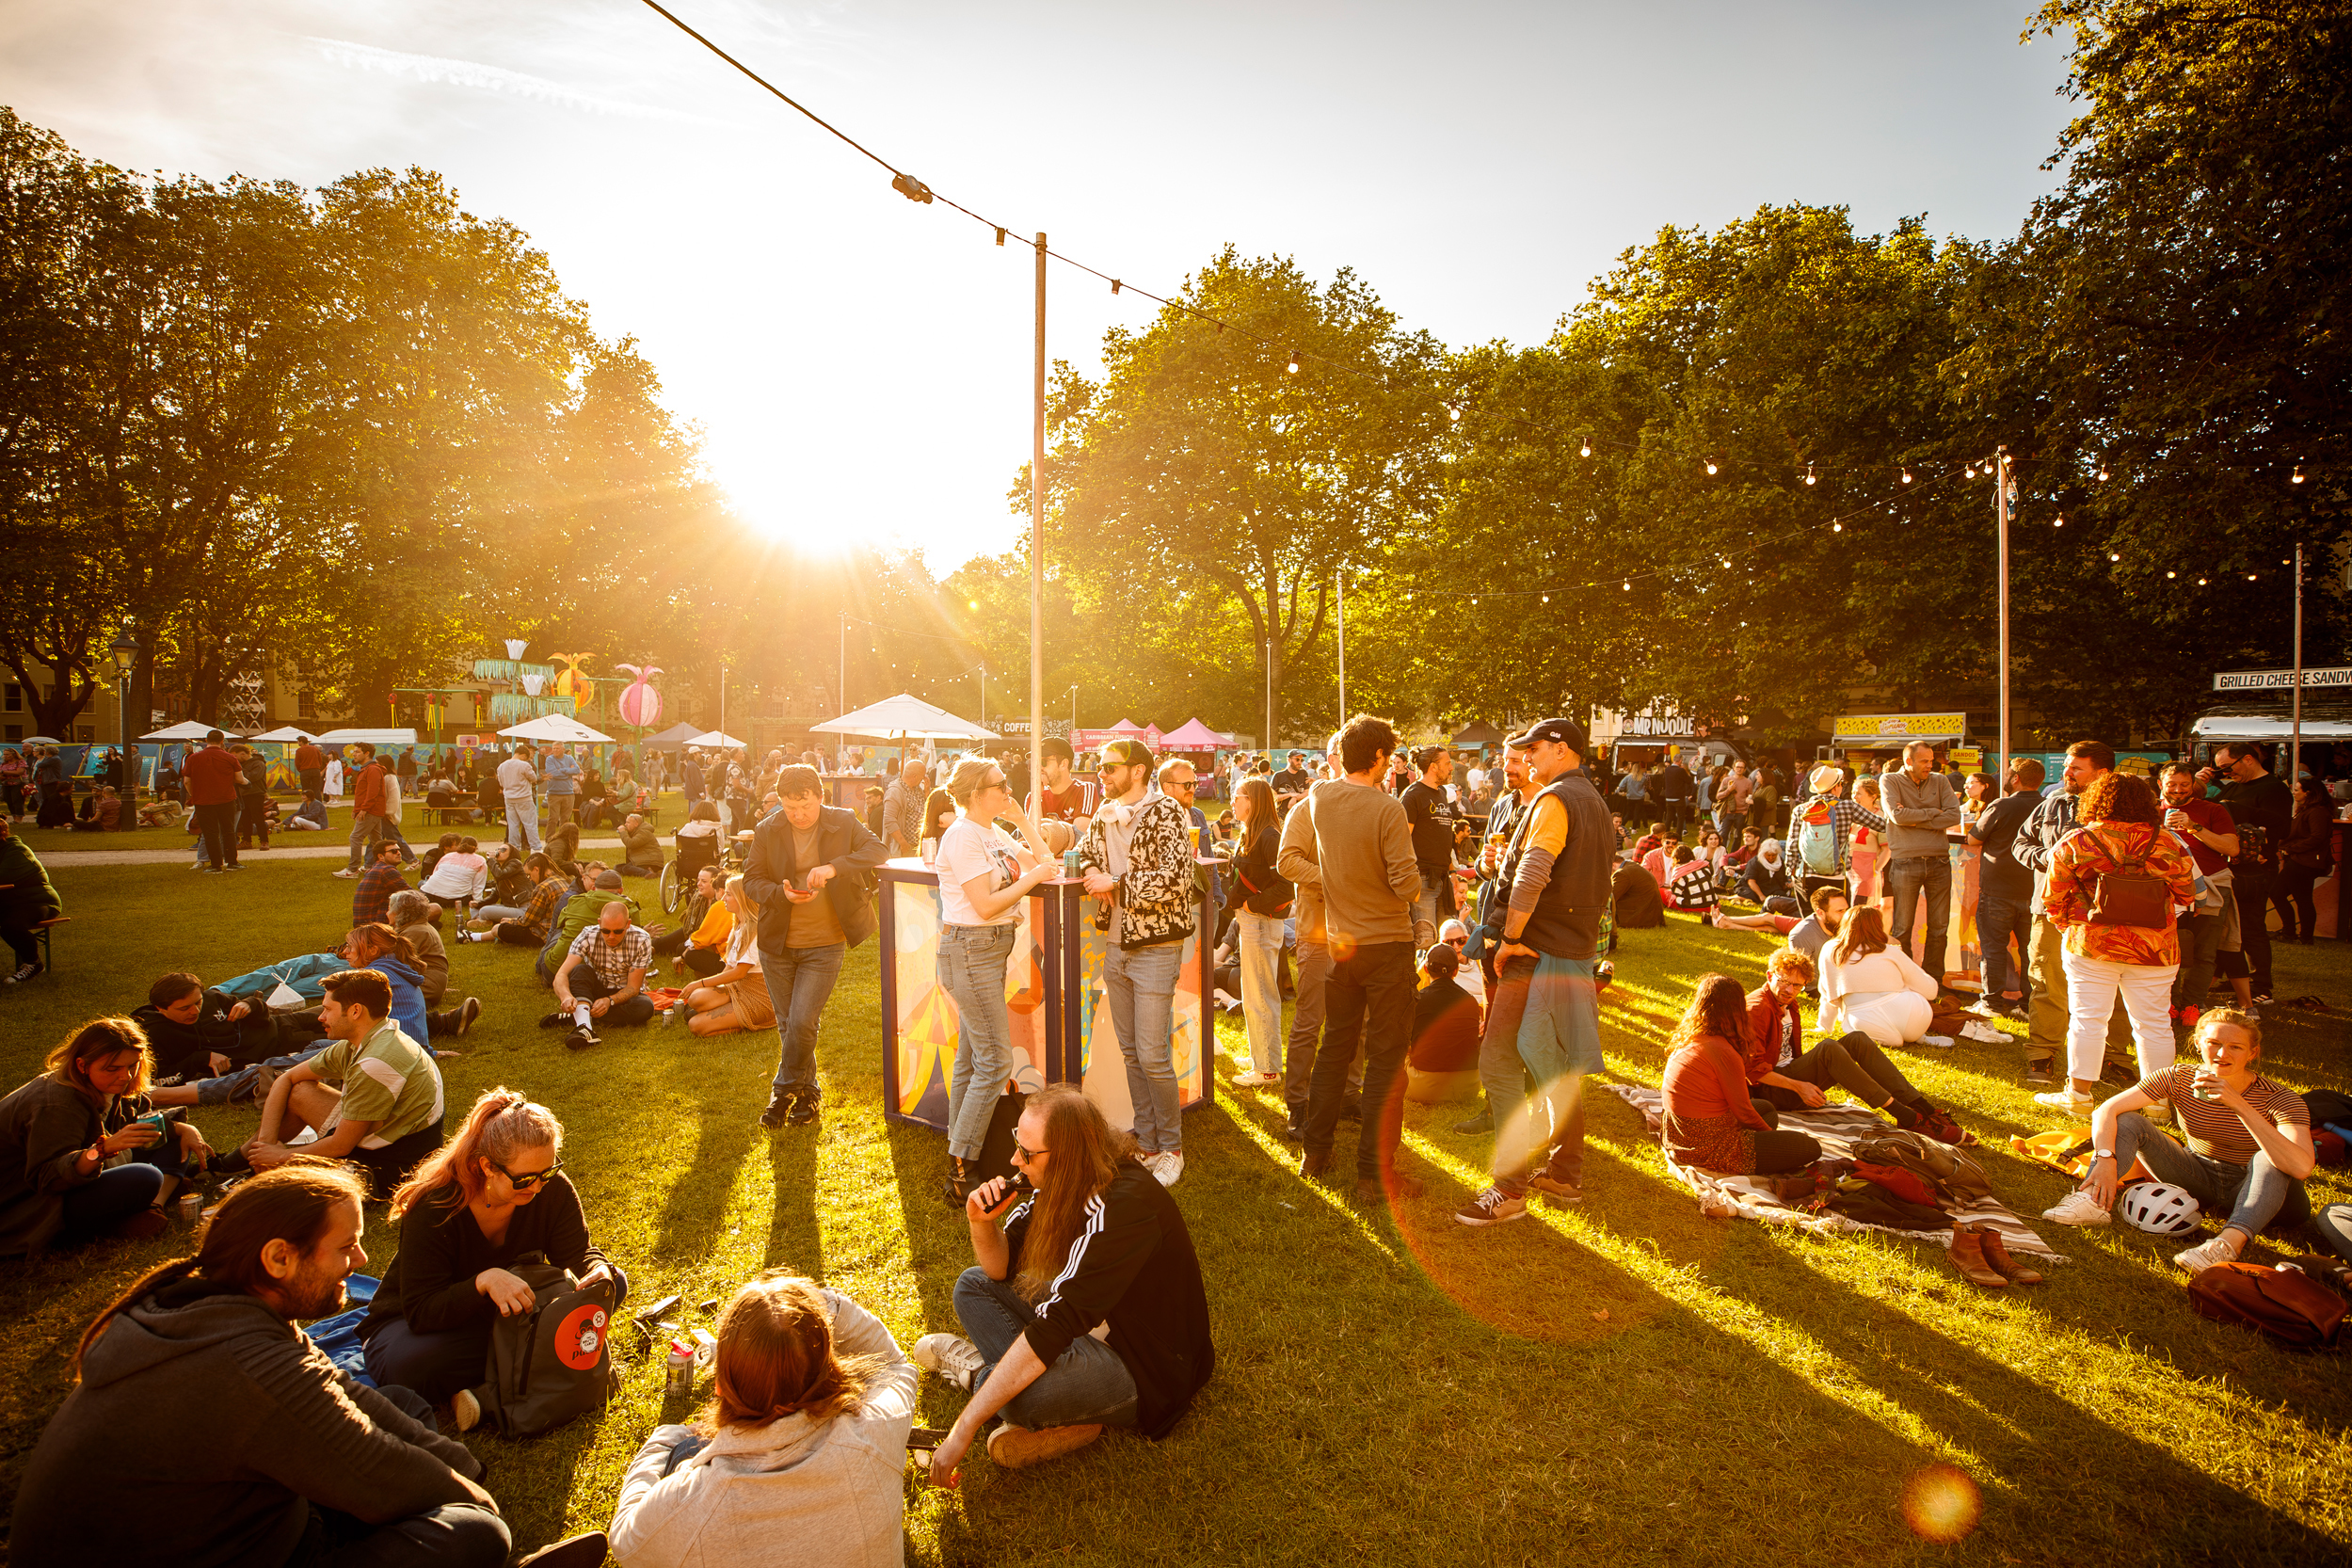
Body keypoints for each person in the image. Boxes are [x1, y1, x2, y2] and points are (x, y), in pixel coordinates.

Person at [7, 1164, 613, 1568]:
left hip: (229, 1514)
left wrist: (459, 1458)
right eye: (346, 1245)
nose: (361, 1257)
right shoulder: (244, 1365)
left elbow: (344, 1389)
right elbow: (378, 1471)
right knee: (478, 1536)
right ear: (278, 1259)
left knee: (398, 1404)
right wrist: (474, 1495)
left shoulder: (203, 1307)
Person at [913, 1085, 1214, 1476]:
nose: (1014, 1160)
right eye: (1016, 1144)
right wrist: (981, 1223)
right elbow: (1000, 1270)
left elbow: (1055, 1325)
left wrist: (963, 1427)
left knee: (1021, 1400)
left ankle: (980, 1375)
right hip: (1091, 1332)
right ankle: (1058, 1406)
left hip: (1146, 1369)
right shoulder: (1063, 1184)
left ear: (1068, 1156)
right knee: (973, 1286)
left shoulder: (1125, 1209)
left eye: (1026, 1152)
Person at [608, 1273, 913, 1568]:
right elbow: (898, 1368)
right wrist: (825, 1303)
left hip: (691, 1496)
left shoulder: (691, 1501)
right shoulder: (878, 1428)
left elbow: (625, 1542)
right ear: (829, 1369)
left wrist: (665, 1437)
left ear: (719, 1384)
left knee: (686, 1449)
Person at [361, 1089, 620, 1419]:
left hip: (508, 1317)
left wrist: (596, 1269)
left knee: (614, 1283)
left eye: (548, 1171)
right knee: (411, 1364)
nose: (538, 1187)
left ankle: (488, 1391)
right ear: (487, 1167)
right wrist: (482, 1282)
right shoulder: (436, 1207)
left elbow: (578, 1254)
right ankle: (528, 1366)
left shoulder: (551, 1189)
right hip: (424, 1326)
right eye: (524, 1178)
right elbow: (422, 1310)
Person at [1454, 717, 1614, 1226]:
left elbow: (1532, 874)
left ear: (1561, 750)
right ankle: (1565, 1173)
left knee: (1499, 1062)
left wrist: (1513, 938)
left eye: (1534, 749)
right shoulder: (1593, 800)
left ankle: (1510, 1188)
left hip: (1536, 952)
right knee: (1556, 1067)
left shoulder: (1556, 799)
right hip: (1571, 953)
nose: (1528, 757)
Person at [2041, 1009, 2314, 1273]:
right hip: (2199, 1178)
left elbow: (2301, 1167)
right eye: (2214, 1043)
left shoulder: (2280, 1098)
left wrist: (2239, 1104)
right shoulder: (2179, 1077)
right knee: (2130, 1120)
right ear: (2198, 1043)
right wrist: (2104, 1158)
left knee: (2269, 1157)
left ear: (2252, 1053)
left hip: (2269, 1195)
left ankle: (2226, 1245)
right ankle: (2093, 1201)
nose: (2222, 1054)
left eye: (2236, 1047)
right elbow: (2106, 1110)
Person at [1072, 740, 1199, 1184]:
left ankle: (1172, 1147)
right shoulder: (1107, 811)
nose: (1102, 774)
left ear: (1139, 770)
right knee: (1131, 1053)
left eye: (1110, 767)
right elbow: (1086, 850)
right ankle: (1147, 1141)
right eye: (1099, 767)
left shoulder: (1166, 812)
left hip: (1157, 946)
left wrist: (1117, 882)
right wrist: (1092, 872)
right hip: (1117, 944)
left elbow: (1176, 879)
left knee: (1152, 1054)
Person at [2035, 770, 2197, 1113]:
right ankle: (2158, 1101)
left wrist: (2071, 928)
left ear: (2096, 799)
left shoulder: (2077, 841)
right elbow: (2187, 894)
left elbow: (2052, 899)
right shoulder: (2168, 842)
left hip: (2092, 945)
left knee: (2087, 1019)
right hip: (2156, 947)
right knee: (2154, 1023)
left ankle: (2078, 1096)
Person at [740, 765, 889, 1129]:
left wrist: (834, 868)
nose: (798, 815)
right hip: (777, 944)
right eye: (790, 808)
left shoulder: (844, 820)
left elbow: (879, 851)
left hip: (825, 944)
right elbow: (751, 880)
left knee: (804, 1019)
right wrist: (781, 894)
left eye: (805, 806)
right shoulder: (767, 828)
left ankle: (782, 1092)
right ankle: (808, 1094)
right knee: (789, 1023)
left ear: (820, 797)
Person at [934, 759, 1055, 1202]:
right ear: (973, 794)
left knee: (972, 1059)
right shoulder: (963, 835)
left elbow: (1046, 862)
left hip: (986, 952)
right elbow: (984, 905)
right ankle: (959, 1169)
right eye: (999, 785)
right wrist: (1032, 879)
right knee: (994, 1063)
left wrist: (1022, 818)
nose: (1006, 789)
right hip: (970, 950)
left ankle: (965, 1153)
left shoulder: (991, 831)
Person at [223, 968, 445, 1197]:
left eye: (327, 1009)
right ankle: (238, 1161)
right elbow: (287, 1079)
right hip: (378, 1134)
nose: (321, 1017)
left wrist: (280, 1156)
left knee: (286, 1193)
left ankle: (251, 1169)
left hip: (394, 1163)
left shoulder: (376, 1063)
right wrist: (266, 1146)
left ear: (355, 1011)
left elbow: (341, 1146)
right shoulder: (368, 1038)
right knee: (300, 1090)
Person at [0, 1016, 208, 1255]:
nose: (126, 1076)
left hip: (84, 1173)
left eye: (133, 1066)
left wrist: (184, 1129)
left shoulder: (111, 1084)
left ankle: (152, 1206)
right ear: (82, 1065)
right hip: (29, 1202)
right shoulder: (56, 1104)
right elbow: (48, 1178)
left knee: (169, 1138)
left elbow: (137, 1120)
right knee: (144, 1176)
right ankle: (128, 1211)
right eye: (113, 1069)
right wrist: (104, 1148)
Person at [1745, 951, 1967, 1142]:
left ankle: (1924, 1110)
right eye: (1784, 981)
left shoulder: (1788, 1004)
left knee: (1857, 1039)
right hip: (1770, 1091)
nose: (1790, 990)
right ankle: (1907, 1117)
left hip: (1789, 1077)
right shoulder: (1757, 1009)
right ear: (1769, 975)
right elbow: (1753, 1070)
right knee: (1829, 1049)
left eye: (1797, 985)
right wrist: (1799, 1087)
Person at [1275, 728, 1366, 1144]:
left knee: (1356, 1022)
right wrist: (1334, 882)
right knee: (1311, 1021)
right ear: (1332, 759)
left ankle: (1349, 1093)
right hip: (1316, 932)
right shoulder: (1307, 808)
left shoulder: (1372, 804)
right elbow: (1287, 862)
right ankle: (1298, 1102)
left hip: (1362, 931)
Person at [1657, 973, 1822, 1176]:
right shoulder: (1722, 1051)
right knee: (1810, 1147)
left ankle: (1761, 1148)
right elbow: (1743, 1110)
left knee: (1767, 1108)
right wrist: (1770, 1137)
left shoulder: (1693, 1036)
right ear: (1737, 1009)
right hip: (1704, 1145)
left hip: (1682, 1132)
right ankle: (1750, 1157)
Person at [2202, 740, 2292, 1005]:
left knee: (2251, 928)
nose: (2227, 773)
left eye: (2227, 767)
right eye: (2221, 770)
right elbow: (2209, 810)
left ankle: (2262, 986)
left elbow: (2282, 827)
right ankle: (2235, 977)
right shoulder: (2233, 785)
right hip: (2232, 866)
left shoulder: (2274, 788)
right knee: (2229, 929)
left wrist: (2237, 809)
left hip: (2256, 870)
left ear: (2248, 759)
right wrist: (2200, 782)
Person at [1224, 776, 1292, 1090]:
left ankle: (1266, 1069)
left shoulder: (1269, 836)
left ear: (1253, 800)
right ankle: (1262, 1060)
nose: (1233, 801)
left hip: (1262, 923)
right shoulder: (1252, 832)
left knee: (1261, 995)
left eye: (1238, 796)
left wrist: (1252, 905)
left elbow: (1286, 887)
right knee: (1254, 994)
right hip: (1253, 922)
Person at [2158, 761, 2240, 1028]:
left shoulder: (2213, 810)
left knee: (2205, 950)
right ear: (2161, 785)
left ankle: (2192, 1006)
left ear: (2193, 784)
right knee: (2166, 949)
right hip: (2167, 888)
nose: (2179, 790)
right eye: (2172, 785)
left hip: (2213, 883)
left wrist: (2194, 827)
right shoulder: (2150, 811)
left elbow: (2232, 848)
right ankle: (2169, 1005)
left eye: (2185, 784)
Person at [1967, 758, 2045, 1021]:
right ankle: (2027, 1004)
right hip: (2034, 890)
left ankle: (1992, 1004)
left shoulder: (2001, 805)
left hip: (1998, 890)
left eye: (2008, 773)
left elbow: (1973, 838)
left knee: (1993, 949)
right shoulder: (2047, 806)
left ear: (2016, 779)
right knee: (2031, 952)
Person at [1817, 904, 1940, 1048]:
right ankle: (1915, 1036)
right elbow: (1930, 991)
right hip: (1912, 1017)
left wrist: (1824, 1027)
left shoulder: (1830, 949)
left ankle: (1893, 1037)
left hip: (1861, 1018)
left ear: (1845, 923)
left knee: (1891, 1038)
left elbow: (1827, 995)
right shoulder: (1890, 951)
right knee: (1908, 991)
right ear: (1878, 926)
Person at [549, 902, 657, 1050]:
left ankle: (581, 1014)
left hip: (625, 994)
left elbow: (633, 988)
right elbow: (561, 974)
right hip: (596, 989)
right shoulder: (588, 934)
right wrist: (566, 997)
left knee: (645, 1008)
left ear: (628, 924)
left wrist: (609, 1001)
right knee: (580, 970)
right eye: (605, 931)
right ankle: (585, 1026)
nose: (611, 936)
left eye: (618, 931)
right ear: (599, 923)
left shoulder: (641, 938)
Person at [677, 876, 774, 1038]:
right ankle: (727, 1013)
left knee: (695, 1025)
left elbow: (739, 973)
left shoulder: (755, 930)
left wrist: (699, 983)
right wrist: (703, 989)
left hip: (757, 995)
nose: (722, 899)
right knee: (695, 999)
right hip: (737, 987)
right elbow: (729, 968)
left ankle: (746, 1022)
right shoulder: (738, 926)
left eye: (728, 894)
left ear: (742, 898)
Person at [389, 891, 483, 1041]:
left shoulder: (413, 933)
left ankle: (447, 1021)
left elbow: (394, 965)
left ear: (400, 912)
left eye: (389, 909)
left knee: (392, 1006)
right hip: (429, 983)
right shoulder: (415, 928)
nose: (387, 913)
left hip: (427, 985)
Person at [1403, 942, 1483, 1100]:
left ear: (1425, 970)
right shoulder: (1471, 1001)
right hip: (1469, 1086)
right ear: (1456, 970)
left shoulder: (1416, 1000)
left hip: (1424, 1088)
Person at [1400, 746, 1457, 948]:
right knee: (1426, 942)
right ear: (1434, 767)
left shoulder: (1441, 792)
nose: (1452, 767)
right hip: (1422, 879)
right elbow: (1402, 840)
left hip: (1442, 878)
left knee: (1446, 941)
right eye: (1448, 763)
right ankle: (1423, 979)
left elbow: (1444, 837)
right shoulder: (1412, 795)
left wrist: (1453, 874)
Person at [464, 851, 568, 950]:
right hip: (561, 931)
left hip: (544, 935)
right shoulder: (563, 880)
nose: (530, 879)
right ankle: (472, 935)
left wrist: (511, 921)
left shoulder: (543, 887)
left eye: (529, 875)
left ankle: (473, 936)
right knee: (501, 925)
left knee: (498, 929)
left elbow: (527, 921)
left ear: (536, 869)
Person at [0, 816, 60, 984]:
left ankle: (33, 963)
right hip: (8, 901)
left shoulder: (16, 850)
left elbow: (3, 878)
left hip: (37, 901)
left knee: (11, 926)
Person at [2279, 774, 2334, 943]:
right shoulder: (2310, 810)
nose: (2293, 793)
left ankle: (2298, 934)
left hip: (2304, 861)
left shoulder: (2316, 812)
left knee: (2289, 896)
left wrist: (2291, 849)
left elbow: (2317, 837)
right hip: (2302, 860)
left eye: (2296, 790)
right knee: (2288, 895)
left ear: (2308, 793)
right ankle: (2298, 934)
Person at [184, 728, 245, 873]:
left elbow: (187, 781)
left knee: (210, 833)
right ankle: (232, 862)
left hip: (203, 800)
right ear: (222, 741)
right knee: (228, 831)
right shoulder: (230, 757)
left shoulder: (193, 758)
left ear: (206, 740)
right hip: (226, 799)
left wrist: (194, 794)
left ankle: (216, 865)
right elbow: (239, 779)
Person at [656, 866, 731, 975]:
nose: (698, 884)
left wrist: (684, 954)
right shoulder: (698, 898)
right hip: (706, 939)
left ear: (719, 889)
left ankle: (711, 972)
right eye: (698, 880)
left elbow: (705, 936)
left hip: (721, 953)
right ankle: (651, 946)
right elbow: (690, 929)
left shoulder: (720, 905)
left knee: (686, 951)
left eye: (703, 881)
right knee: (678, 943)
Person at [1029, 737, 1091, 824]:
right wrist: (1037, 796)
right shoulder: (1034, 795)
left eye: (1043, 762)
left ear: (1063, 764)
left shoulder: (1084, 790)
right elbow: (1031, 835)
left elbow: (1080, 835)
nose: (1039, 767)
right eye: (1035, 762)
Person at [418, 834, 488, 911]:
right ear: (475, 848)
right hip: (453, 899)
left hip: (428, 894)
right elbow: (478, 886)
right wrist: (477, 902)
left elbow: (435, 873)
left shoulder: (448, 856)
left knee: (422, 883)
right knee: (470, 893)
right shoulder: (480, 860)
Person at [496, 744, 541, 855]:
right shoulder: (524, 765)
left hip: (509, 799)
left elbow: (501, 783)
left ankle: (514, 849)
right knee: (530, 824)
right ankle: (536, 849)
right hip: (524, 798)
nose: (528, 760)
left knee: (513, 825)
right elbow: (534, 778)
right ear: (523, 755)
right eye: (527, 758)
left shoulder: (501, 766)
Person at [881, 757, 927, 856]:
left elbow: (926, 809)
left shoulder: (917, 789)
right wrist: (903, 843)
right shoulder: (895, 791)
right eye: (922, 776)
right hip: (904, 848)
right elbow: (889, 820)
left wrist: (927, 791)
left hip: (916, 846)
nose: (924, 779)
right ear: (914, 776)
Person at [234, 743, 272, 852]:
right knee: (245, 819)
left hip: (256, 793)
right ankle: (246, 841)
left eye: (235, 756)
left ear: (243, 754)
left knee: (258, 818)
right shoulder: (243, 764)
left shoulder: (259, 763)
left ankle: (264, 841)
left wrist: (239, 770)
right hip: (243, 794)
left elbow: (253, 777)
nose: (234, 759)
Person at [541, 742, 581, 829]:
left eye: (557, 748)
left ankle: (563, 839)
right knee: (553, 819)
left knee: (565, 820)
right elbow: (553, 773)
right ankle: (549, 839)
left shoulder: (569, 758)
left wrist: (562, 770)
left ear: (563, 749)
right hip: (554, 793)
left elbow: (577, 770)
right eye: (554, 748)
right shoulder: (549, 759)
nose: (555, 750)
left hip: (568, 793)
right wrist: (568, 773)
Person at [617, 810, 664, 878]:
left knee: (626, 868)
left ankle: (647, 873)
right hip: (643, 860)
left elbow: (631, 844)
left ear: (636, 823)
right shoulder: (635, 831)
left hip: (652, 862)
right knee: (618, 868)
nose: (625, 825)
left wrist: (623, 833)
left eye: (628, 822)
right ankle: (648, 871)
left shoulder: (644, 832)